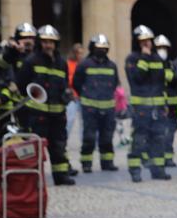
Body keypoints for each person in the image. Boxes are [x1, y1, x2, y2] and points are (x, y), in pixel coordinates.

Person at [16, 25, 75, 185]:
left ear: (56, 43)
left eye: (51, 42)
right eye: (45, 42)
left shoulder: (61, 62)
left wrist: (66, 95)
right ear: (40, 43)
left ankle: (61, 176)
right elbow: (21, 84)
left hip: (57, 113)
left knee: (59, 146)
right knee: (34, 147)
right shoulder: (31, 61)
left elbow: (64, 84)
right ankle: (33, 177)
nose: (48, 45)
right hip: (37, 114)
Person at [124, 25, 172, 182]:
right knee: (139, 139)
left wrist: (164, 104)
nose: (147, 44)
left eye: (149, 41)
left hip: (157, 108)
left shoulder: (157, 58)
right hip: (141, 108)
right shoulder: (132, 59)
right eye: (143, 41)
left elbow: (162, 83)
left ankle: (158, 170)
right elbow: (137, 78)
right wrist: (144, 58)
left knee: (158, 139)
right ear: (137, 43)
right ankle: (135, 170)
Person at [73, 34, 120, 172]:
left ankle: (107, 163)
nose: (102, 51)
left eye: (104, 48)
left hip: (108, 107)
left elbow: (115, 83)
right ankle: (86, 164)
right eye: (99, 48)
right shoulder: (84, 64)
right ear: (92, 48)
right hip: (90, 108)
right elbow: (76, 83)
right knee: (89, 137)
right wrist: (86, 96)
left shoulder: (112, 65)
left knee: (107, 138)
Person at [153, 34, 177, 167]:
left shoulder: (172, 64)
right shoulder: (151, 64)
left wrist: (174, 72)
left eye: (164, 47)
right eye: (159, 47)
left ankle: (168, 158)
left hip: (172, 105)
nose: (162, 50)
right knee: (157, 131)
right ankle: (154, 158)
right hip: (157, 105)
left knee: (170, 131)